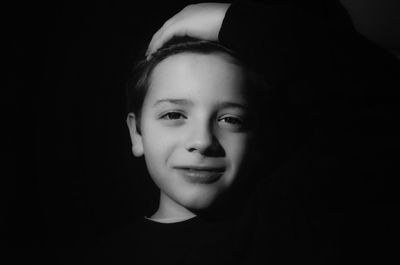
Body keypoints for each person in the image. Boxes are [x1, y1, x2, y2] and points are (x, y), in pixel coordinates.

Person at [89, 1, 399, 264]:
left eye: (230, 120)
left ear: (259, 138)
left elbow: (378, 93)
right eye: (173, 114)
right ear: (137, 133)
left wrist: (228, 20)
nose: (202, 141)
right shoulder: (102, 254)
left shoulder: (288, 225)